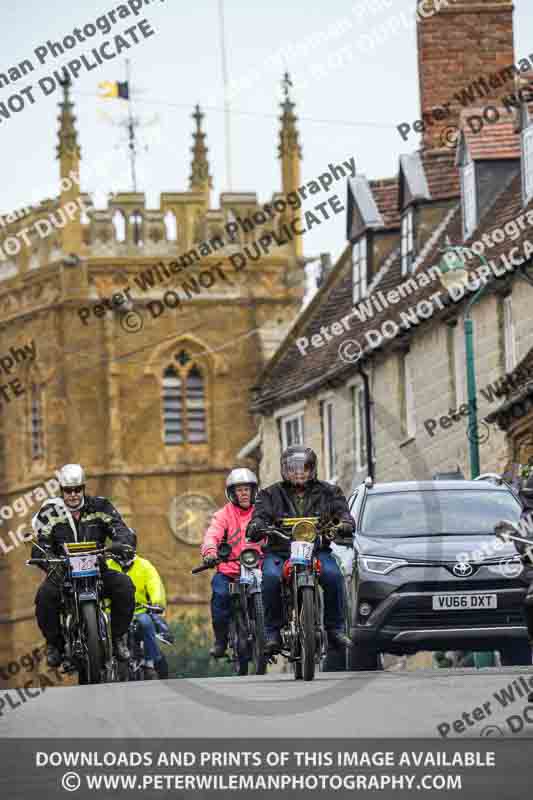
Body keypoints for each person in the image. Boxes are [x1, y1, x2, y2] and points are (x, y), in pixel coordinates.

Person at [246, 445, 354, 655]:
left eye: (304, 468)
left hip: (316, 550)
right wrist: (256, 525)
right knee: (269, 577)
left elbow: (343, 513)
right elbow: (259, 516)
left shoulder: (330, 492)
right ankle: (272, 632)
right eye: (293, 468)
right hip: (280, 551)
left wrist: (345, 522)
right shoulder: (268, 494)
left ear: (312, 469)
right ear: (284, 470)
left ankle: (335, 630)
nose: (299, 473)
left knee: (333, 576)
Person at [32, 463, 136, 667]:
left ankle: (118, 638)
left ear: (83, 488)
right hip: (62, 570)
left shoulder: (101, 506)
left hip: (97, 566)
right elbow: (40, 543)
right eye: (68, 490)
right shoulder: (49, 512)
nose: (73, 495)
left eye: (77, 489)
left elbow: (120, 528)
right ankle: (55, 645)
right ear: (61, 490)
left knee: (125, 586)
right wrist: (46, 559)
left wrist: (122, 544)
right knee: (44, 597)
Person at [201, 468, 262, 659]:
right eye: (239, 490)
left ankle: (269, 634)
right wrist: (210, 552)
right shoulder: (223, 515)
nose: (243, 493)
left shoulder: (262, 511)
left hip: (257, 568)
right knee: (219, 596)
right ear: (232, 493)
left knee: (274, 591)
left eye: (247, 489)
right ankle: (220, 641)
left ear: (253, 491)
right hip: (229, 569)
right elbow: (212, 534)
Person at [107, 533, 167, 679]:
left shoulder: (145, 565)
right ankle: (103, 662)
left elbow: (155, 585)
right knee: (102, 628)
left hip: (139, 611)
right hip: (112, 612)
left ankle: (149, 663)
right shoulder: (107, 565)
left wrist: (157, 602)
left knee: (146, 623)